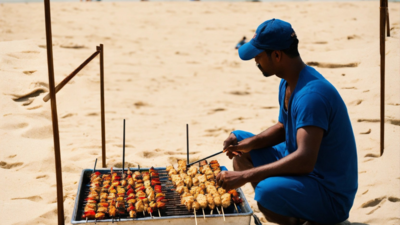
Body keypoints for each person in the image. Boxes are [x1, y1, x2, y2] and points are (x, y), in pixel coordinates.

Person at [216, 19, 358, 225]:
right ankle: (292, 207)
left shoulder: (312, 95)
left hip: (329, 193)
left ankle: (298, 220)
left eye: (258, 54)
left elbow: (305, 160)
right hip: (305, 168)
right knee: (241, 146)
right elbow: (284, 127)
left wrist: (246, 176)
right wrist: (250, 143)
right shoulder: (288, 80)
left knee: (265, 194)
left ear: (277, 55)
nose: (256, 60)